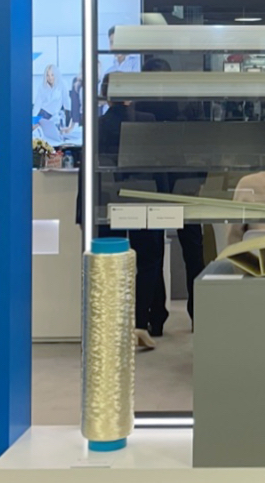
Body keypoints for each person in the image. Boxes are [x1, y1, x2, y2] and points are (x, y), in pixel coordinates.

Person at [97, 75, 167, 348]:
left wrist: (83, 209)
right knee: (147, 261)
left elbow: (88, 170)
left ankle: (112, 325)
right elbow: (159, 164)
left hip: (105, 200)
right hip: (143, 197)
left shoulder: (98, 124)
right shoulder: (147, 122)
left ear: (106, 96)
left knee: (109, 263)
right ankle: (139, 323)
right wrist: (164, 200)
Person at [135, 58, 206, 324]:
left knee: (153, 252)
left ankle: (157, 316)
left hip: (154, 184)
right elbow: (201, 145)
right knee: (192, 250)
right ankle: (198, 314)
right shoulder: (186, 104)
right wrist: (199, 179)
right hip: (184, 183)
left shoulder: (140, 107)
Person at [33, 64, 70, 141]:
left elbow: (66, 102)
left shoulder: (62, 84)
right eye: (48, 75)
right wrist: (33, 121)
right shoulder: (42, 86)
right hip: (43, 115)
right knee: (41, 137)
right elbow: (37, 105)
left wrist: (69, 121)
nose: (50, 78)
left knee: (57, 137)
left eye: (52, 75)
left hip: (55, 116)